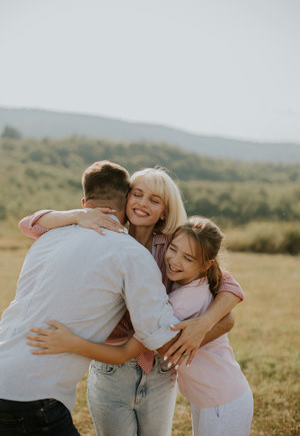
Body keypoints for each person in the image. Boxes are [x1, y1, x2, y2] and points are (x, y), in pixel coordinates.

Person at [20, 167, 244, 436]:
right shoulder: (102, 232)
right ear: (125, 198)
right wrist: (77, 214)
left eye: (154, 199)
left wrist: (206, 323)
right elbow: (29, 225)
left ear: (164, 211)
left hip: (160, 371)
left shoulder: (172, 247)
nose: (142, 203)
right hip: (110, 367)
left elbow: (224, 282)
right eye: (137, 194)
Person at [0, 161, 184, 436]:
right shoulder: (130, 253)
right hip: (34, 395)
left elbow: (31, 223)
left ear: (85, 202)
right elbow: (160, 334)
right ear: (125, 203)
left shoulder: (49, 237)